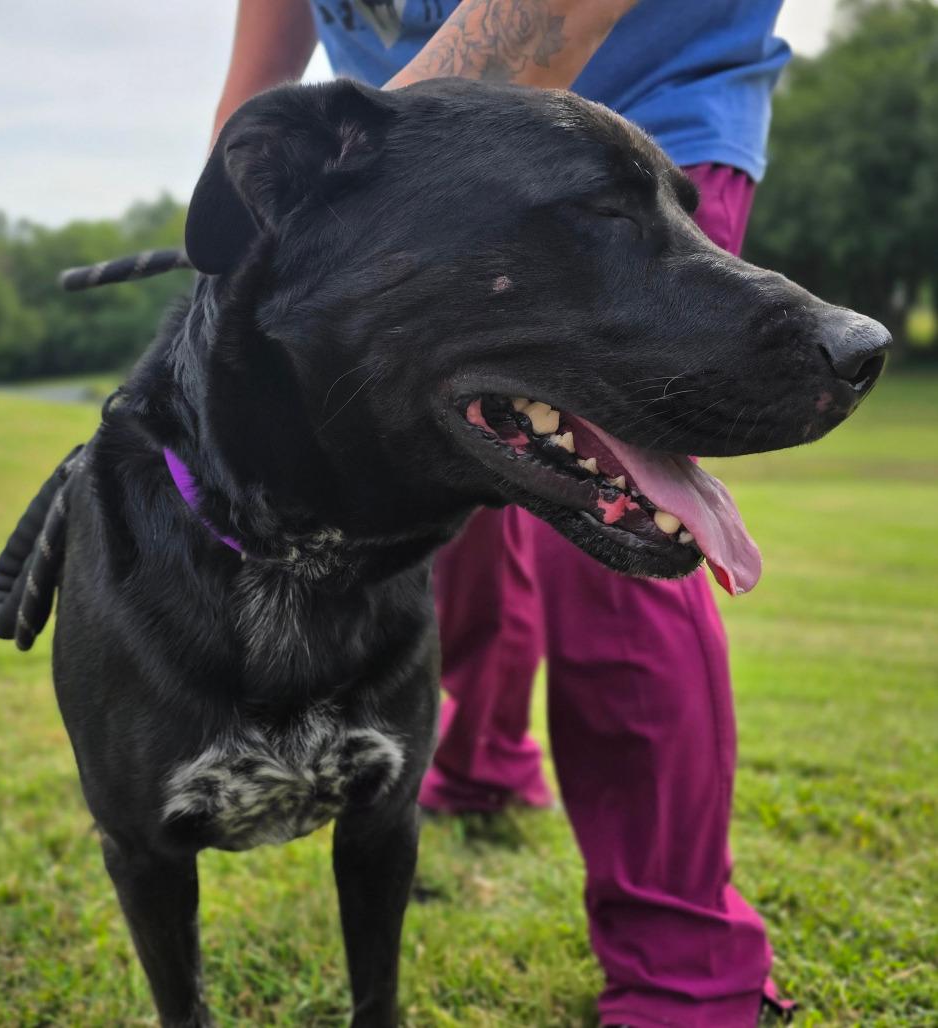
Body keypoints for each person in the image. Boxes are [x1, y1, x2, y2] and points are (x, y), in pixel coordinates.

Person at [213, 3, 795, 1025]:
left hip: (626, 125)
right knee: (424, 491)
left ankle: (683, 970)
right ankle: (480, 762)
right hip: (402, 161)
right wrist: (233, 220)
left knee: (605, 525)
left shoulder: (398, 162)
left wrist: (349, 175)